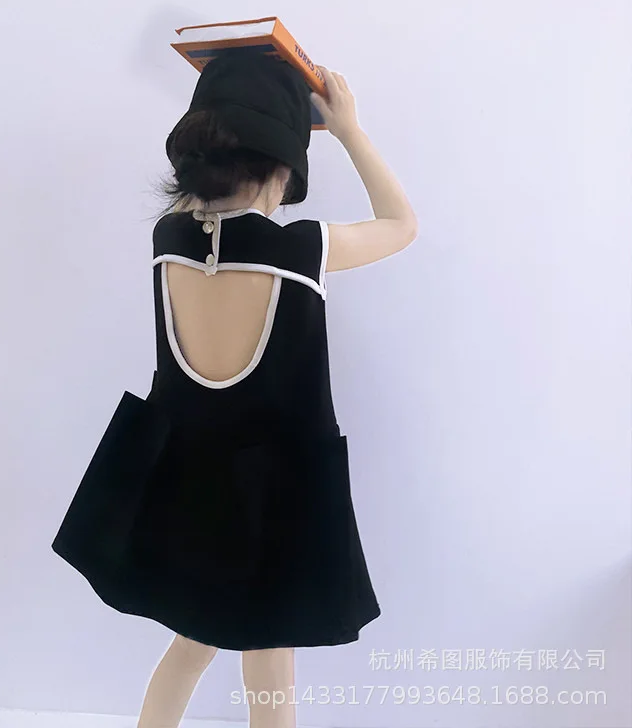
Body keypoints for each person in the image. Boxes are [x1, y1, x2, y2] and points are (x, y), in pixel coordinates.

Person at [52, 50, 418, 728]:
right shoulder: (301, 249)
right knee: (269, 655)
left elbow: (200, 214)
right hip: (273, 495)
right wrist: (349, 131)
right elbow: (401, 224)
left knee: (193, 641)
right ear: (282, 169)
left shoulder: (167, 238)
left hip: (187, 483)